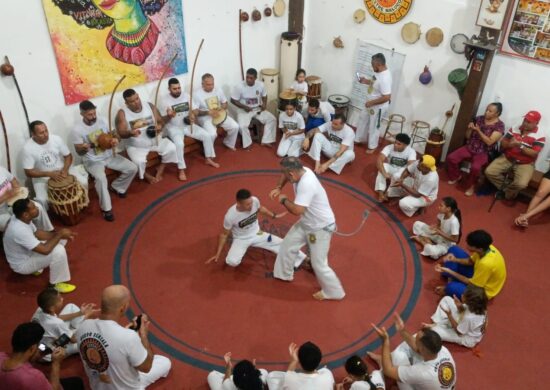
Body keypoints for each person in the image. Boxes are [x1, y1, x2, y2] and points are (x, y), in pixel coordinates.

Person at [270, 157, 346, 300]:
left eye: (286, 174)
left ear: (292, 173)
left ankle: (335, 292)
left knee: (319, 264)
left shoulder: (307, 183)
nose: (284, 175)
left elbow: (297, 210)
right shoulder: (301, 170)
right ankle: (283, 275)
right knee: (287, 246)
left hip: (320, 227)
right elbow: (284, 174)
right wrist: (278, 187)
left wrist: (283, 199)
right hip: (307, 222)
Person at [76, 285, 171, 389]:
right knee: (164, 362)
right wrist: (143, 336)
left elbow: (108, 341)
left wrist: (126, 332)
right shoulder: (128, 337)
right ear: (123, 308)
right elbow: (146, 367)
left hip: (97, 386)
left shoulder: (83, 326)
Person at [72, 100, 137, 222]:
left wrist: (116, 140)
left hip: (109, 155)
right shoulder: (77, 129)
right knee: (101, 179)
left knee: (132, 168)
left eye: (94, 113)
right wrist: (85, 147)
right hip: (93, 160)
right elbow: (79, 152)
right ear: (82, 114)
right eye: (89, 115)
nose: (93, 116)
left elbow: (115, 134)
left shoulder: (103, 120)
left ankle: (117, 187)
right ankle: (106, 209)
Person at [205, 189, 306, 268]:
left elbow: (260, 208)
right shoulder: (230, 215)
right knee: (232, 261)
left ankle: (305, 259)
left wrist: (274, 215)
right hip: (241, 239)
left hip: (257, 234)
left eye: (251, 202)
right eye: (248, 204)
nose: (251, 205)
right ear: (239, 204)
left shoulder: (254, 200)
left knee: (282, 243)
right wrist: (218, 253)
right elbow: (224, 234)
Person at [3, 198, 77, 293]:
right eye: (34, 208)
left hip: (28, 252)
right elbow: (45, 250)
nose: (37, 209)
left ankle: (38, 267)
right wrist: (60, 234)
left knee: (60, 240)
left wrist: (60, 235)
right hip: (22, 264)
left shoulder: (19, 218)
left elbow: (37, 233)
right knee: (59, 250)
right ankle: (56, 284)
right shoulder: (19, 230)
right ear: (25, 214)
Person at [369, 313, 457, 390]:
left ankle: (383, 362)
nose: (414, 340)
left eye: (416, 341)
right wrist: (402, 330)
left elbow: (388, 370)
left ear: (422, 349)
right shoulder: (442, 350)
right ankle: (383, 359)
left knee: (398, 359)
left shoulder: (422, 372)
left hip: (427, 377)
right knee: (406, 348)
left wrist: (385, 341)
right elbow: (417, 348)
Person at [160, 78, 220, 181]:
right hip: (174, 127)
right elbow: (162, 120)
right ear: (169, 89)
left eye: (179, 88)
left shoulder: (186, 95)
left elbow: (195, 110)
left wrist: (192, 115)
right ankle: (181, 169)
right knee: (179, 144)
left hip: (187, 124)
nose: (178, 90)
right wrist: (169, 116)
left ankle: (208, 158)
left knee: (206, 135)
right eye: (174, 89)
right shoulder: (164, 100)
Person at [115, 88, 178, 183]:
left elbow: (160, 121)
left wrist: (161, 125)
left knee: (172, 148)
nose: (136, 102)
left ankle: (161, 168)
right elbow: (121, 133)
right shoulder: (122, 113)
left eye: (137, 98)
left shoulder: (149, 106)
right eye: (132, 101)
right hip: (136, 145)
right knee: (138, 162)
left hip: (155, 139)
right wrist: (130, 133)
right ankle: (146, 176)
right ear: (126, 103)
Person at [22, 120, 89, 210]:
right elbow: (28, 172)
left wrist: (65, 170)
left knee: (84, 181)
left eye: (46, 130)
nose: (46, 134)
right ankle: (50, 217)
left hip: (62, 169)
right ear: (33, 134)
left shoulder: (56, 139)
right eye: (41, 133)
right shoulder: (27, 148)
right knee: (42, 200)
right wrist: (49, 174)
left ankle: (82, 203)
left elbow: (68, 156)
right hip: (43, 176)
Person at [0, 322, 84, 390]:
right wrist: (56, 363)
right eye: (39, 344)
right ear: (32, 348)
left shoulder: (2, 356)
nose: (41, 346)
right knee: (77, 382)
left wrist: (41, 353)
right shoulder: (34, 377)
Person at [446, 102, 505, 196]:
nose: (486, 112)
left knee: (475, 168)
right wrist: (470, 129)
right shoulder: (479, 119)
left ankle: (471, 186)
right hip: (470, 147)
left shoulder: (500, 125)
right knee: (451, 158)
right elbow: (468, 136)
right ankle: (457, 176)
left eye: (490, 111)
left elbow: (489, 142)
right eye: (486, 109)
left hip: (483, 152)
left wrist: (478, 130)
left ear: (497, 114)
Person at [485, 110, 545, 200]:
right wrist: (510, 145)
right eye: (525, 120)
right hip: (507, 157)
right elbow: (503, 143)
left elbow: (534, 153)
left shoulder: (540, 135)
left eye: (529, 122)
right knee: (489, 172)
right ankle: (508, 191)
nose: (525, 123)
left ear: (537, 123)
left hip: (525, 163)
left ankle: (505, 192)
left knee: (522, 184)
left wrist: (519, 145)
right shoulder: (515, 128)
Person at [435, 229, 507, 299]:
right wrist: (454, 259)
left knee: (450, 287)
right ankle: (453, 279)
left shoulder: (486, 264)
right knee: (454, 249)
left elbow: (472, 284)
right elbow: (470, 261)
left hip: (482, 290)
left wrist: (449, 271)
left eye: (470, 245)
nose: (467, 246)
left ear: (479, 249)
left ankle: (452, 283)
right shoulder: (487, 247)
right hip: (479, 273)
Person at [31, 287, 99, 358]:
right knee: (88, 340)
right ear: (51, 308)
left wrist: (80, 313)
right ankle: (78, 326)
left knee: (71, 306)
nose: (62, 299)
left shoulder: (40, 310)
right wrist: (86, 317)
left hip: (40, 344)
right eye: (59, 299)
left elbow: (57, 318)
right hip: (49, 352)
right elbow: (73, 340)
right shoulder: (57, 323)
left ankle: (76, 326)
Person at [423, 285, 488, 348]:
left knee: (434, 331)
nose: (462, 295)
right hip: (464, 324)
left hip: (466, 337)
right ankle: (440, 324)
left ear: (470, 302)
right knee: (447, 299)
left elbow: (459, 332)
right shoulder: (481, 308)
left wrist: (449, 315)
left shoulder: (469, 318)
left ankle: (437, 325)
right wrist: (459, 306)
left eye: (464, 295)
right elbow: (464, 310)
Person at [230, 68, 277, 148]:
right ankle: (247, 143)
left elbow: (264, 96)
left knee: (272, 119)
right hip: (244, 110)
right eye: (247, 77)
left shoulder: (260, 85)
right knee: (242, 126)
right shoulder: (239, 86)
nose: (248, 79)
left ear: (255, 78)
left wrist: (264, 104)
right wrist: (244, 107)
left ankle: (266, 140)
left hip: (257, 109)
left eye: (251, 78)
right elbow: (233, 100)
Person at [355, 53, 392, 153]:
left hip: (378, 107)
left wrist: (371, 103)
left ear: (379, 64)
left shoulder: (385, 78)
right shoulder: (378, 72)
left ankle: (372, 146)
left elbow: (387, 97)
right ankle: (359, 139)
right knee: (363, 118)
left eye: (373, 65)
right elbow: (374, 82)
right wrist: (365, 81)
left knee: (374, 125)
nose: (372, 67)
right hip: (369, 103)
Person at [0, 165, 54, 232]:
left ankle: (46, 231)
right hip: (2, 213)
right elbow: (8, 194)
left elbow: (13, 180)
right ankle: (30, 238)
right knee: (15, 224)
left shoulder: (1, 169)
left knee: (37, 208)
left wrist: (19, 192)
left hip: (14, 203)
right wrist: (6, 195)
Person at [194, 73, 240, 150]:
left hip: (219, 114)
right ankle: (208, 151)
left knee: (235, 126)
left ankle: (228, 142)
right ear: (202, 84)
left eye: (212, 84)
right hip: (205, 117)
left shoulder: (218, 90)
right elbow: (195, 112)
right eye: (208, 85)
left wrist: (222, 108)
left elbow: (225, 103)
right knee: (212, 134)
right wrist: (208, 112)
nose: (211, 87)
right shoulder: (197, 94)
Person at [266, 342, 334, 389]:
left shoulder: (290, 378)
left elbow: (289, 373)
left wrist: (294, 360)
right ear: (319, 362)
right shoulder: (327, 375)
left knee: (271, 376)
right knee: (324, 370)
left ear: (300, 362)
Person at [374, 133, 416, 202]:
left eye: (399, 144)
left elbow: (411, 166)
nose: (395, 145)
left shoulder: (411, 151)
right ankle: (381, 192)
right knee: (383, 167)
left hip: (403, 171)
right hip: (392, 168)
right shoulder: (389, 147)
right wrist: (384, 173)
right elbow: (379, 160)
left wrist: (403, 176)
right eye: (395, 142)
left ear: (405, 145)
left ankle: (388, 194)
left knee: (397, 175)